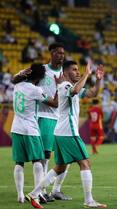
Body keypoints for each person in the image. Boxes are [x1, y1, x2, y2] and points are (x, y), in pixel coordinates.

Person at [25, 60, 107, 208]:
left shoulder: (69, 86)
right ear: (66, 73)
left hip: (61, 132)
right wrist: (88, 74)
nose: (78, 72)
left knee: (60, 167)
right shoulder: (65, 86)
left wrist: (98, 80)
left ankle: (34, 193)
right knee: (85, 163)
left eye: (78, 70)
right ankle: (89, 201)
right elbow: (75, 91)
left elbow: (92, 92)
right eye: (74, 70)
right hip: (68, 132)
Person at [12, 43, 71, 201]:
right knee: (42, 156)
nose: (61, 56)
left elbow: (15, 81)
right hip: (44, 118)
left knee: (62, 155)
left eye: (63, 53)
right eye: (58, 53)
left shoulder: (65, 72)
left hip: (60, 118)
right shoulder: (44, 71)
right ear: (51, 53)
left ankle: (53, 189)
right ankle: (41, 191)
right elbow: (52, 100)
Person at [11, 64, 58, 204]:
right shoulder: (36, 90)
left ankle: (20, 195)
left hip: (16, 128)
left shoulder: (17, 85)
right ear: (40, 77)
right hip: (30, 129)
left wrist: (20, 73)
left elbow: (14, 79)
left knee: (19, 162)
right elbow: (55, 103)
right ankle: (36, 194)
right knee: (38, 160)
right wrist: (59, 86)